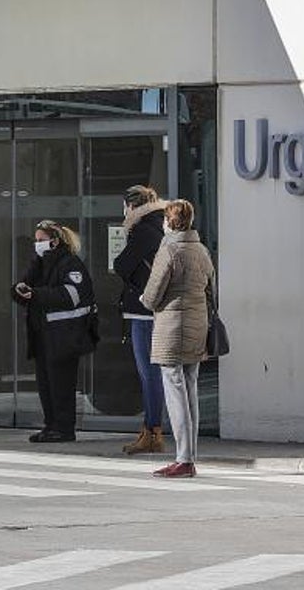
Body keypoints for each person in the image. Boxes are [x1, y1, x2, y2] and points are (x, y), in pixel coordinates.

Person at [140, 199, 215, 478]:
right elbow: (211, 291)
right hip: (197, 324)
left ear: (169, 222)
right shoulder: (202, 251)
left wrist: (145, 299)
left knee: (174, 390)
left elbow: (151, 296)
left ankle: (183, 459)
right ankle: (189, 456)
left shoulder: (168, 250)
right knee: (191, 389)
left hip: (172, 327)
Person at [13, 219, 97, 443]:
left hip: (64, 335)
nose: (37, 244)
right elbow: (26, 287)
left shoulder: (70, 263)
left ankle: (64, 429)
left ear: (55, 241)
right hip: (43, 335)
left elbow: (71, 295)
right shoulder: (41, 263)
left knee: (61, 385)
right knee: (46, 384)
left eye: (41, 240)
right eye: (36, 240)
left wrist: (36, 295)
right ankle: (51, 426)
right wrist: (20, 290)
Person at [112, 185, 168, 455]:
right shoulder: (163, 226)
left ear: (131, 206)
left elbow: (121, 265)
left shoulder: (143, 230)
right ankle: (152, 430)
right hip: (158, 309)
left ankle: (152, 432)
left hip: (144, 311)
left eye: (124, 207)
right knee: (157, 373)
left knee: (149, 374)